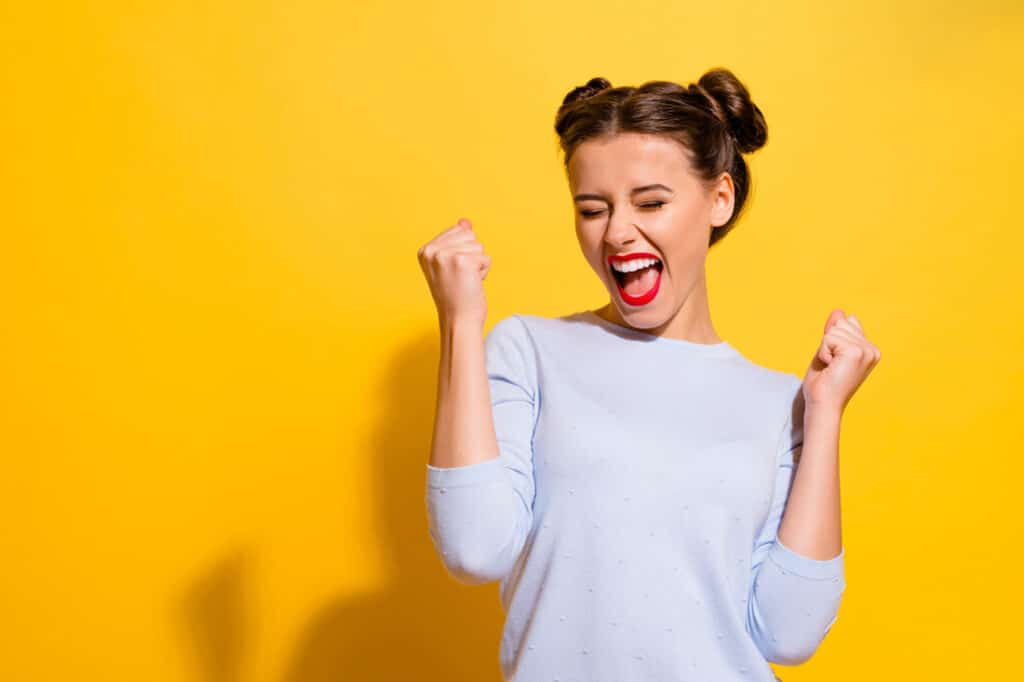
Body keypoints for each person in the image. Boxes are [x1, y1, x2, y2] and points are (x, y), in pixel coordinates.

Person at [416, 67, 881, 682]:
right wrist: (459, 322)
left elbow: (789, 633)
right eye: (592, 209)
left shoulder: (781, 402)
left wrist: (824, 414)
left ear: (720, 198)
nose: (616, 233)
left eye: (651, 202)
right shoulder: (529, 351)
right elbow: (475, 550)